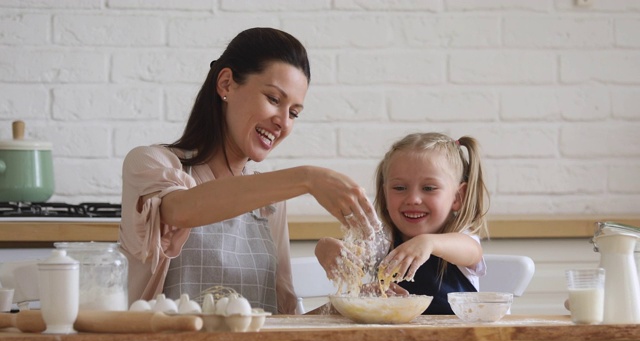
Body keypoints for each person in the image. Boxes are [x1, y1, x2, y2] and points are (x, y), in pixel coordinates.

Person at [118, 27, 379, 315]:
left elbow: (283, 319)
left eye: (294, 113)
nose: (283, 122)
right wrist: (307, 178)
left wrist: (355, 305)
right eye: (274, 99)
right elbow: (180, 210)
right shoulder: (150, 164)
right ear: (226, 84)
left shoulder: (271, 203)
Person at [316, 132, 489, 312]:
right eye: (399, 188)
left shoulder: (461, 238)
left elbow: (473, 252)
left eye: (429, 188)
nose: (413, 199)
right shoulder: (385, 240)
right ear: (385, 193)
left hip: (456, 339)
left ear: (457, 196)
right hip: (393, 339)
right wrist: (327, 247)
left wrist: (428, 243)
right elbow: (357, 253)